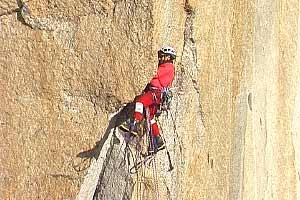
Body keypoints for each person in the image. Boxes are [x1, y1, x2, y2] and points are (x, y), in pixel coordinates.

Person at [120, 46, 176, 153]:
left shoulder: (168, 66)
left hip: (155, 92)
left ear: (169, 57)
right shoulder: (168, 67)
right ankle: (158, 140)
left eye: (163, 56)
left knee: (140, 102)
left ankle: (133, 125)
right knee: (150, 117)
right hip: (157, 94)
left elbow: (155, 74)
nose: (161, 58)